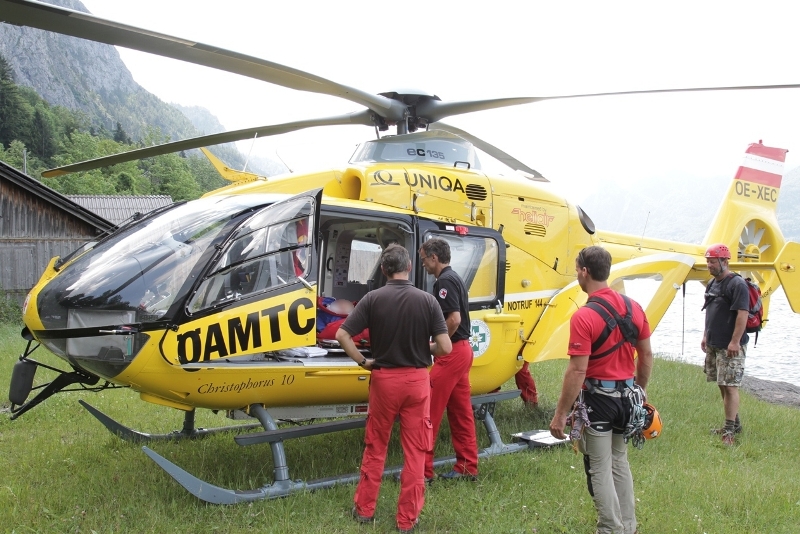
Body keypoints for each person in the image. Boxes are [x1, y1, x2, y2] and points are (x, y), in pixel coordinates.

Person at [336, 244, 451, 533]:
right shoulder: (428, 301)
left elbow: (342, 334)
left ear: (384, 270)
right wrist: (425, 347)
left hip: (384, 381)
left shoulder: (372, 299)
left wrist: (363, 362)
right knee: (415, 451)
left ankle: (364, 509)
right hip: (416, 381)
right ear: (409, 267)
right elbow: (445, 347)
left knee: (376, 446)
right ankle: (407, 519)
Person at [549, 246, 653, 534]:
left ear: (585, 272)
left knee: (599, 467)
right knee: (619, 461)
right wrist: (640, 392)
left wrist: (560, 414)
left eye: (576, 270)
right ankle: (628, 527)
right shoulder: (634, 307)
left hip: (598, 401)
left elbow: (577, 370)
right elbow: (646, 355)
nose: (576, 275)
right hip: (627, 398)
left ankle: (609, 528)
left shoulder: (584, 316)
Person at [419, 237, 480, 481]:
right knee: (460, 412)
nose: (423, 264)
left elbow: (454, 319)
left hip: (452, 353)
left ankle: (423, 471)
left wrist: (437, 344)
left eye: (424, 259)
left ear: (434, 258)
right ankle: (467, 466)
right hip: (463, 351)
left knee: (428, 411)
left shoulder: (444, 281)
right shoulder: (455, 278)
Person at [701, 243, 749, 445]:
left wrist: (735, 342)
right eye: (708, 261)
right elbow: (709, 311)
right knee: (722, 383)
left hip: (730, 345)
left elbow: (742, 314)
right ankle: (734, 424)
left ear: (724, 261)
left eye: (712, 261)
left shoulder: (737, 284)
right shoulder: (712, 284)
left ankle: (729, 431)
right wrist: (705, 335)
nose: (709, 265)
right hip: (715, 342)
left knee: (730, 386)